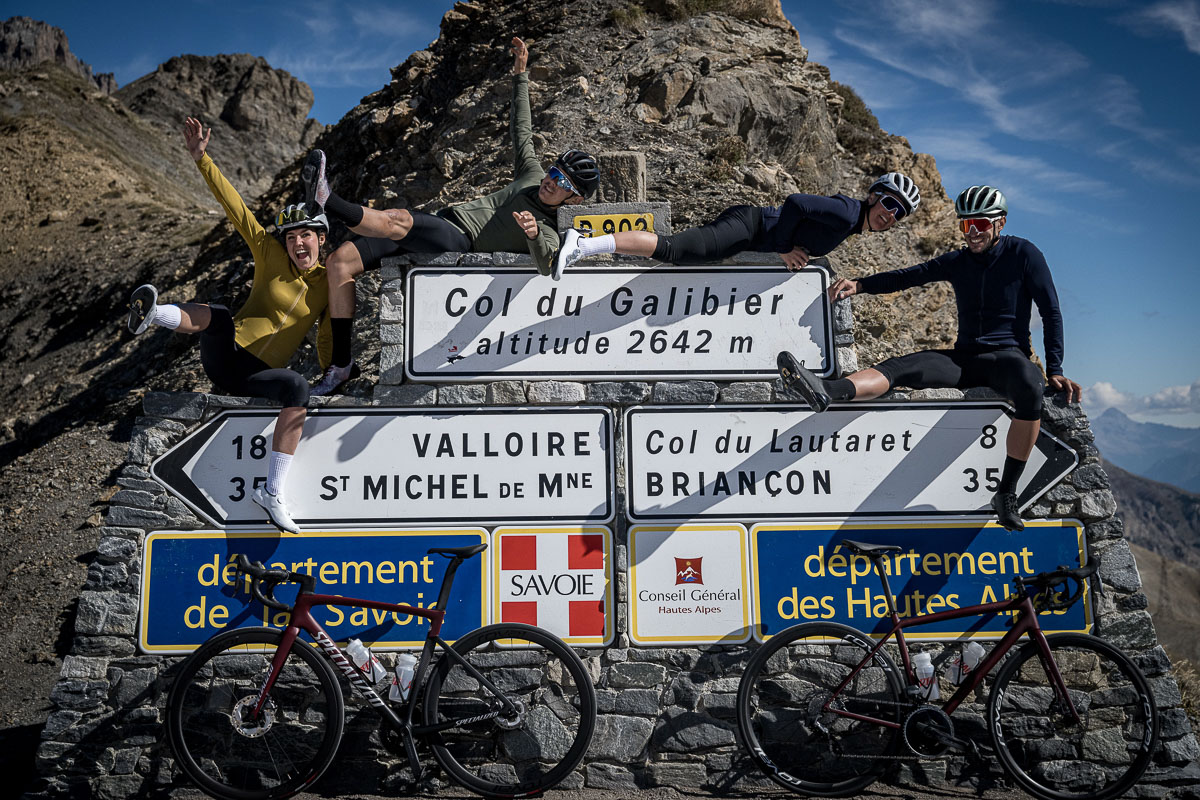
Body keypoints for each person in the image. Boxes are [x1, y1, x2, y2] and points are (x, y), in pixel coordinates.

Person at [300, 36, 600, 395]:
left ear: (573, 198)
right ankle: (342, 365)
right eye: (554, 171)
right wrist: (520, 75)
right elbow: (522, 131)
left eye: (562, 182)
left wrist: (534, 234)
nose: (551, 182)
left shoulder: (549, 227)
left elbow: (547, 262)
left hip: (459, 239)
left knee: (396, 219)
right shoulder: (532, 176)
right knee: (339, 262)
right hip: (445, 220)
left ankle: (326, 200)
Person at [777, 185, 1083, 531]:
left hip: (1008, 360)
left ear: (1000, 223)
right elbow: (910, 276)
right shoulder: (958, 261)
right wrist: (860, 285)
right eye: (966, 225)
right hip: (965, 360)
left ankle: (1007, 493)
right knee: (901, 366)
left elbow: (1051, 311)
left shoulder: (1024, 254)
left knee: (1031, 384)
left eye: (981, 224)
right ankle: (828, 391)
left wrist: (1055, 368)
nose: (973, 233)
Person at [126, 117, 333, 535]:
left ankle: (273, 494)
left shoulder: (327, 286)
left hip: (258, 375)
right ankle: (154, 315)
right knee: (219, 316)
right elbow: (235, 206)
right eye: (290, 237)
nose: (297, 244)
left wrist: (334, 378)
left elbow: (326, 338)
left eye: (305, 236)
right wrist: (202, 160)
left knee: (297, 386)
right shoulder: (269, 253)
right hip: (226, 357)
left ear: (321, 239)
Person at [552, 171, 921, 275]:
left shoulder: (853, 223)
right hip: (750, 225)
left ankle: (585, 244)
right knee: (674, 249)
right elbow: (794, 203)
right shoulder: (847, 212)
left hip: (750, 232)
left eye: (899, 213)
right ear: (873, 195)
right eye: (889, 202)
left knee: (679, 254)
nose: (891, 214)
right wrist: (783, 249)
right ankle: (584, 243)